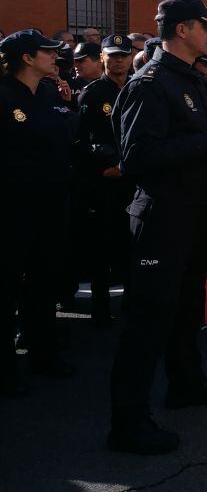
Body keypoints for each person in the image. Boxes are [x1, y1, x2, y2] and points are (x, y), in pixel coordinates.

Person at [108, 0, 207, 455]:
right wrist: (203, 141)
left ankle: (186, 383)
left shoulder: (190, 80)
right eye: (205, 28)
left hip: (193, 215)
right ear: (183, 30)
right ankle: (128, 421)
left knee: (186, 310)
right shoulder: (151, 84)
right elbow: (137, 159)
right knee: (148, 321)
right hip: (162, 220)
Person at [1, 30, 79, 398]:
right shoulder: (3, 96)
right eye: (47, 52)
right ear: (27, 58)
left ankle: (43, 354)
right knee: (8, 285)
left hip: (51, 203)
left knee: (45, 281)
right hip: (13, 208)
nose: (55, 57)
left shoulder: (49, 93)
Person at [76, 34, 136, 326]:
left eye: (124, 55)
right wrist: (106, 166)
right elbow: (85, 141)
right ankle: (100, 310)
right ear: (103, 58)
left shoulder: (139, 88)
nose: (119, 60)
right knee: (102, 247)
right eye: (112, 56)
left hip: (134, 180)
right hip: (106, 182)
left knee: (131, 247)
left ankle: (130, 307)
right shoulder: (93, 93)